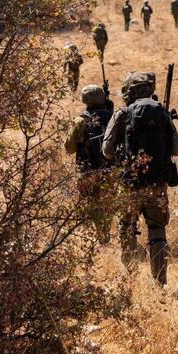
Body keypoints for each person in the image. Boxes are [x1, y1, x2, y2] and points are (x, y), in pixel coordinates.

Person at [102, 72, 178, 285]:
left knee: (127, 228)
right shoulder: (162, 113)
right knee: (157, 232)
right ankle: (160, 283)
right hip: (158, 187)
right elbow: (177, 148)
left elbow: (106, 150)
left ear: (128, 91)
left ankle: (129, 279)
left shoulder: (123, 113)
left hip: (129, 184)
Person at [64, 85, 116, 243]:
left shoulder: (80, 121)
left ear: (85, 100)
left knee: (91, 205)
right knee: (107, 205)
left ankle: (99, 237)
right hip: (109, 170)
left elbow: (69, 148)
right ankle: (104, 234)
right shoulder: (113, 118)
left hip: (86, 171)